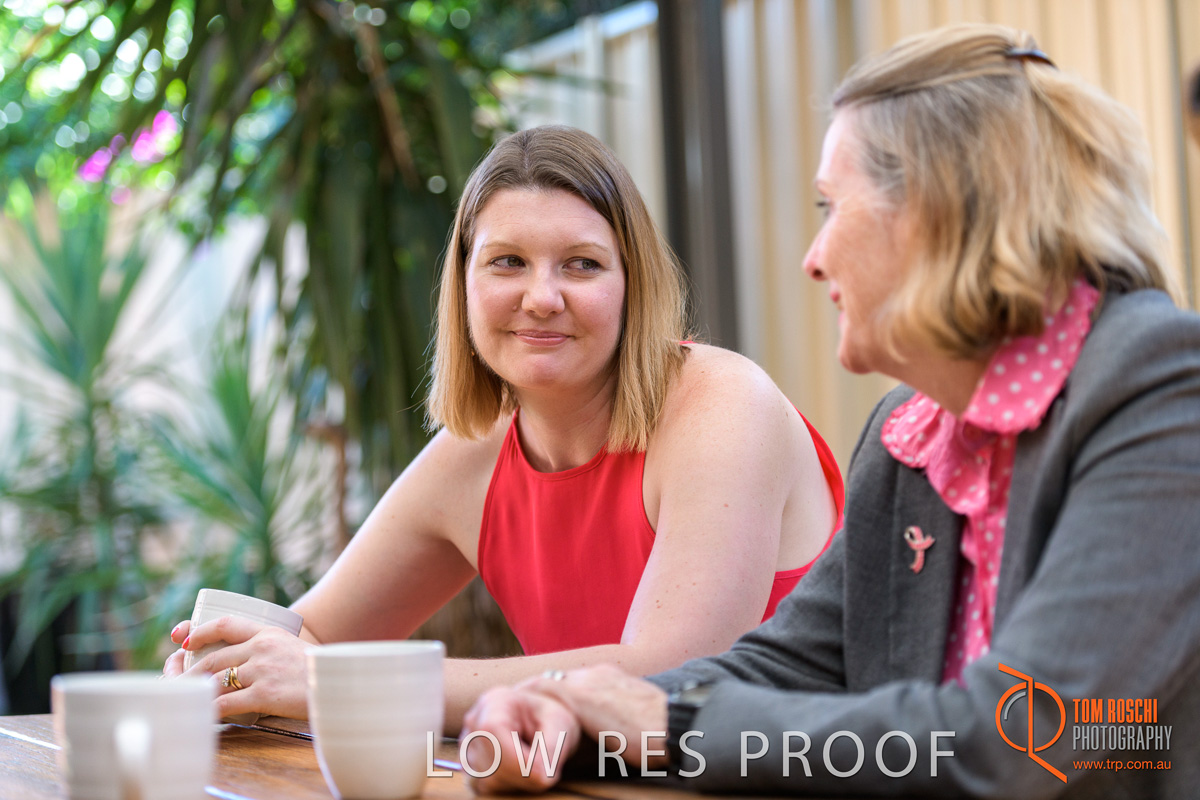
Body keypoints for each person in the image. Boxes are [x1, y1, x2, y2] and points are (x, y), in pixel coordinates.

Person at [461, 24, 1200, 798]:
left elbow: (1025, 735)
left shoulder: (1160, 389)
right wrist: (569, 716)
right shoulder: (911, 434)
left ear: (937, 216)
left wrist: (672, 726)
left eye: (830, 206)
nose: (812, 259)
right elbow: (787, 664)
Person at [162, 125, 844, 730]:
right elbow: (312, 635)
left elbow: (671, 680)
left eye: (582, 264)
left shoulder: (725, 404)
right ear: (464, 284)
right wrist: (232, 666)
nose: (541, 298)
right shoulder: (476, 453)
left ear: (632, 285)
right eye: (507, 262)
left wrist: (334, 681)